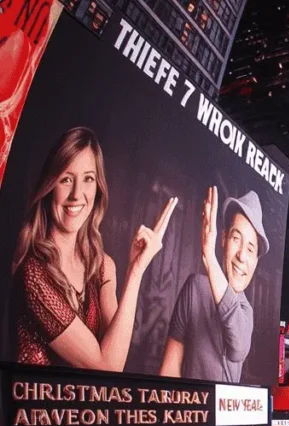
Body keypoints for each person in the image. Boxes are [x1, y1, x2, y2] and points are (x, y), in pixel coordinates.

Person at [12, 126, 176, 370]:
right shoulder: (34, 273)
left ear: (98, 188)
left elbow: (116, 359)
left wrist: (135, 268)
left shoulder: (102, 266)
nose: (77, 194)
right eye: (66, 179)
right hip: (35, 407)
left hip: (86, 409)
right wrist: (137, 272)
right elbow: (105, 366)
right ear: (49, 187)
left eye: (88, 179)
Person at [160, 185, 269, 382]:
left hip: (225, 412)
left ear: (255, 262)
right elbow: (170, 366)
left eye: (251, 249)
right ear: (224, 239)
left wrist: (209, 256)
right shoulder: (195, 288)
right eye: (236, 239)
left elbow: (237, 347)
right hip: (189, 410)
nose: (242, 256)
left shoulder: (245, 311)